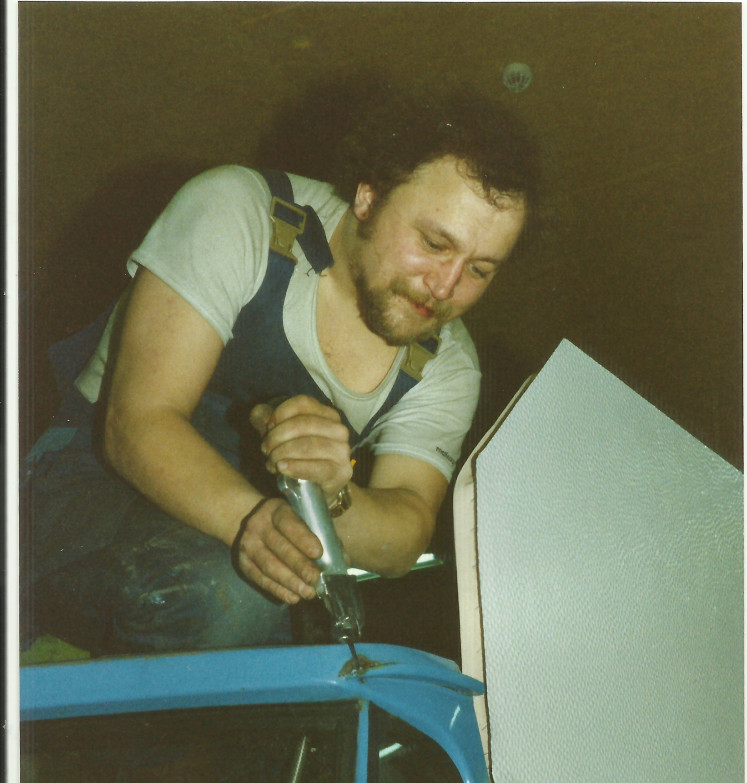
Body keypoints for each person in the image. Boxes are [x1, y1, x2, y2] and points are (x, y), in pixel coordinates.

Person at [23, 86, 540, 655]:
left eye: (479, 270)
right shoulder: (238, 211)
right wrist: (252, 521)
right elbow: (136, 425)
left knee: (343, 654)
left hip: (233, 541)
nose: (445, 287)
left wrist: (338, 495)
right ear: (368, 198)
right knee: (231, 598)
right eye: (435, 243)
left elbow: (406, 531)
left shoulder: (446, 363)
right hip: (84, 487)